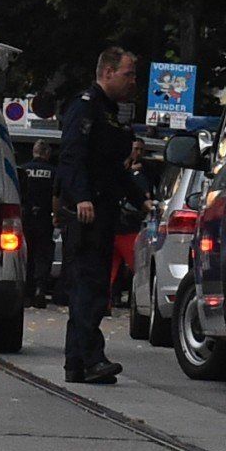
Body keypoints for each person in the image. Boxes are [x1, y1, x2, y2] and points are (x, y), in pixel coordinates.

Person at [55, 46, 138, 385]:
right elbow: (73, 156)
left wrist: (141, 198)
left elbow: (113, 168)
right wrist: (82, 198)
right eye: (127, 74)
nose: (133, 81)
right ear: (107, 72)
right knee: (88, 285)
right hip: (88, 212)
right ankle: (90, 357)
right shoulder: (86, 107)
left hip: (103, 208)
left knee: (92, 284)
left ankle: (77, 362)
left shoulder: (110, 112)